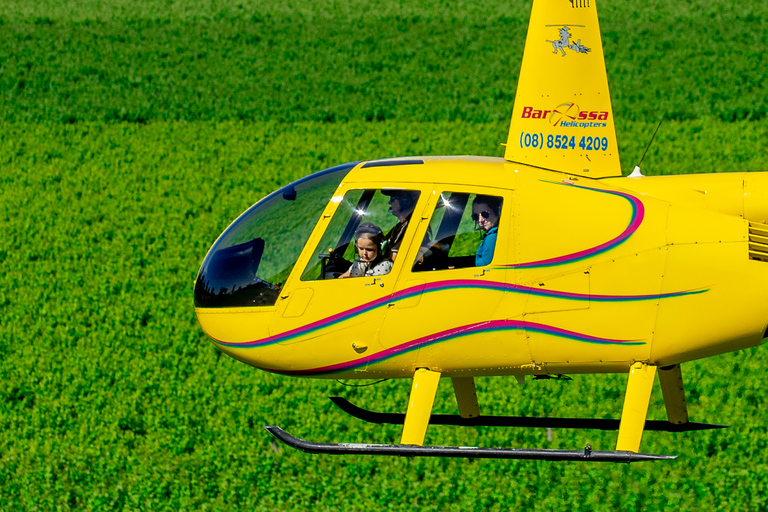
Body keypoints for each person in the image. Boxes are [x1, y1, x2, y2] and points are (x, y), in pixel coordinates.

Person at [382, 190, 420, 261]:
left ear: (405, 201)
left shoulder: (412, 228)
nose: (389, 202)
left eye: (392, 199)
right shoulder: (400, 226)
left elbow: (395, 256)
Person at [472, 195, 502, 266]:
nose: (480, 220)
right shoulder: (493, 234)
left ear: (496, 212)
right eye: (475, 216)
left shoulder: (492, 237)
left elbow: (484, 267)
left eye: (485, 214)